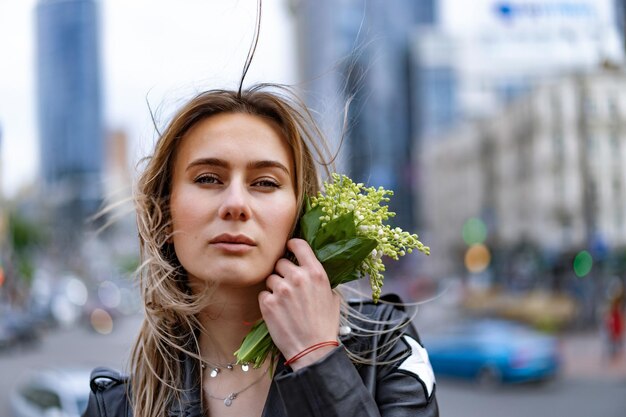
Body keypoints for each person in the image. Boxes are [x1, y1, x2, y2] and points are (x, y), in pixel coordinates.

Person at [82, 85, 439, 417]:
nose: (236, 204)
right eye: (208, 178)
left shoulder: (383, 346)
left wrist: (317, 359)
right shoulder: (117, 407)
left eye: (265, 183)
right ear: (162, 215)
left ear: (301, 215)